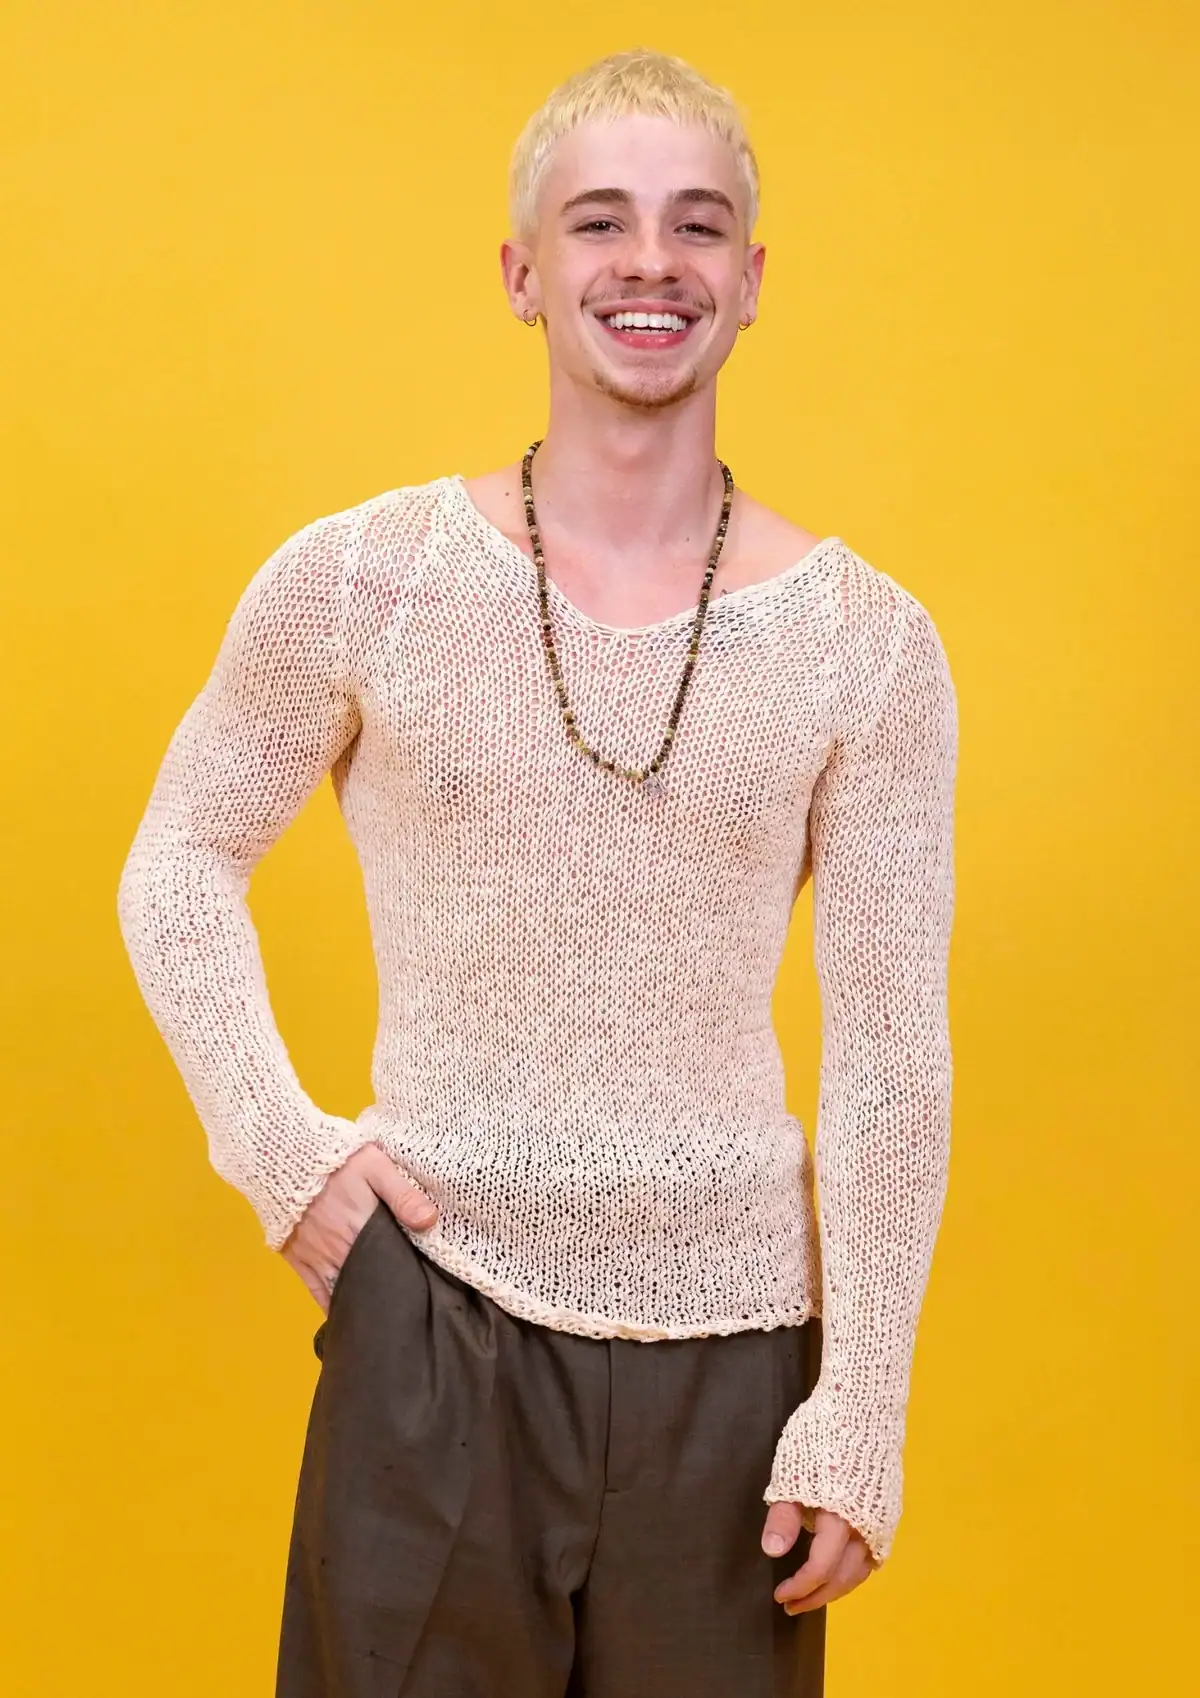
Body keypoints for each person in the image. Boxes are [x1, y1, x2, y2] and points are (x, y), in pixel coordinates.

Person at [116, 45, 958, 1698]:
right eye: (601, 222)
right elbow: (179, 859)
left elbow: (888, 1051)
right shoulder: (364, 582)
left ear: (751, 280)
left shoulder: (869, 645)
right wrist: (284, 1155)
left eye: (696, 225)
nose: (652, 262)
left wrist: (863, 1397)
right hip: (433, 1318)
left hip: (736, 1369)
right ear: (521, 273)